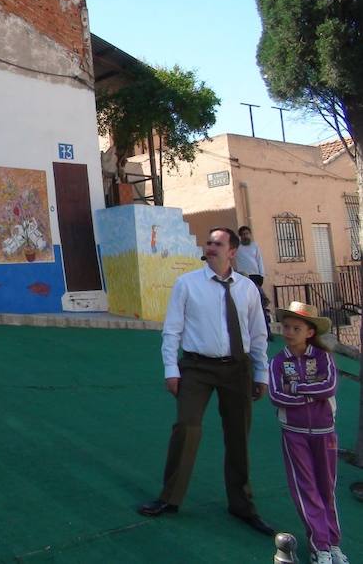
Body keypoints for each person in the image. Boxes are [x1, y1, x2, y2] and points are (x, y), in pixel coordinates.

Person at [138, 227, 276, 536]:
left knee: (238, 435)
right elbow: (172, 329)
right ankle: (169, 499)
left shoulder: (247, 289)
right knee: (186, 428)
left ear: (232, 252)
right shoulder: (186, 284)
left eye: (218, 243)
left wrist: (260, 372)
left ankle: (242, 505)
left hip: (237, 369)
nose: (210, 246)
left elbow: (258, 335)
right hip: (196, 367)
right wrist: (170, 369)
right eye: (209, 242)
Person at [269, 302, 348, 564]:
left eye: (296, 328)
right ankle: (319, 546)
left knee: (327, 487)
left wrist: (299, 389)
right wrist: (308, 397)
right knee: (306, 489)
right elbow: (276, 395)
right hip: (294, 432)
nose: (289, 332)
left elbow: (329, 386)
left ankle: (333, 544)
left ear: (309, 332)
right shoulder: (278, 361)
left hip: (325, 432)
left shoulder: (323, 357)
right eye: (286, 327)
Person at [236, 225, 272, 341]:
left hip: (255, 277)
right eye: (243, 234)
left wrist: (261, 275)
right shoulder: (237, 248)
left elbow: (259, 260)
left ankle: (267, 332)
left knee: (260, 305)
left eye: (247, 233)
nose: (246, 236)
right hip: (243, 278)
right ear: (240, 236)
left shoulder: (255, 246)